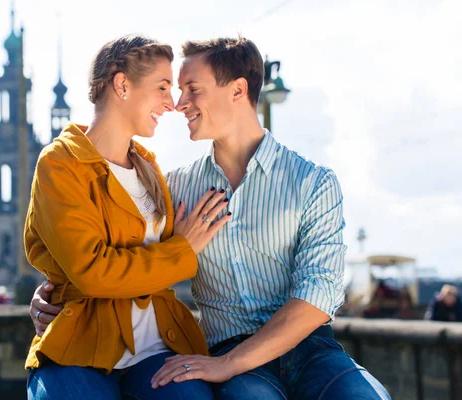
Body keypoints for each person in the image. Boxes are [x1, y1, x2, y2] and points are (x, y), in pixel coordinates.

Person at [31, 36, 391, 399]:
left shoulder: (313, 183)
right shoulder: (172, 187)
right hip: (221, 354)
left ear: (237, 91)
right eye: (172, 88)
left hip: (310, 351)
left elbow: (318, 295)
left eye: (192, 89)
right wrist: (57, 291)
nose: (178, 104)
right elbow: (114, 249)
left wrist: (230, 363)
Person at [24, 35, 231, 400]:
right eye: (162, 88)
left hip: (156, 349)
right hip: (81, 349)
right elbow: (93, 273)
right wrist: (181, 252)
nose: (171, 103)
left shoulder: (149, 167)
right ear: (122, 85)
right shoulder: (59, 164)